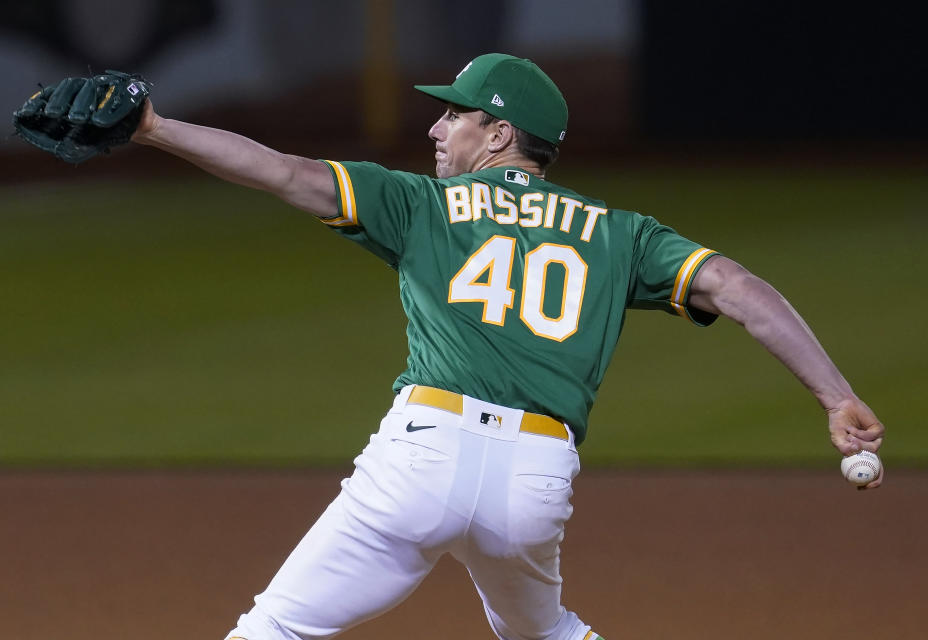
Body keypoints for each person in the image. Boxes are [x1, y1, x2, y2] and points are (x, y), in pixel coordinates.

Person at [130, 53, 884, 640]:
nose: (434, 128)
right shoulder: (622, 233)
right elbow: (741, 290)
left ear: (497, 135)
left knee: (276, 627)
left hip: (417, 465)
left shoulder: (419, 202)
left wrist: (154, 128)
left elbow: (281, 171)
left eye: (452, 115)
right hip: (534, 479)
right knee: (544, 631)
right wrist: (834, 394)